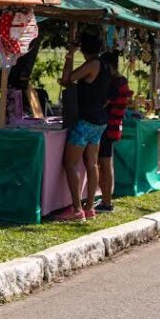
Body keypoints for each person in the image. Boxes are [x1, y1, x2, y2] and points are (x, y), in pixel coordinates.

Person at [54, 33, 110, 221]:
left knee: (70, 164)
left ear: (84, 48)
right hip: (99, 122)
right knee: (91, 163)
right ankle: (89, 207)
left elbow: (66, 79)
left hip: (86, 121)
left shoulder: (92, 64)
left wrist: (70, 54)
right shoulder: (103, 65)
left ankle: (77, 209)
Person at [96, 52, 132, 213]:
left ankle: (106, 201)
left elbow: (103, 103)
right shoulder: (122, 81)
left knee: (105, 164)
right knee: (106, 164)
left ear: (108, 66)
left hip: (108, 127)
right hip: (113, 126)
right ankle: (105, 199)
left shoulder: (115, 84)